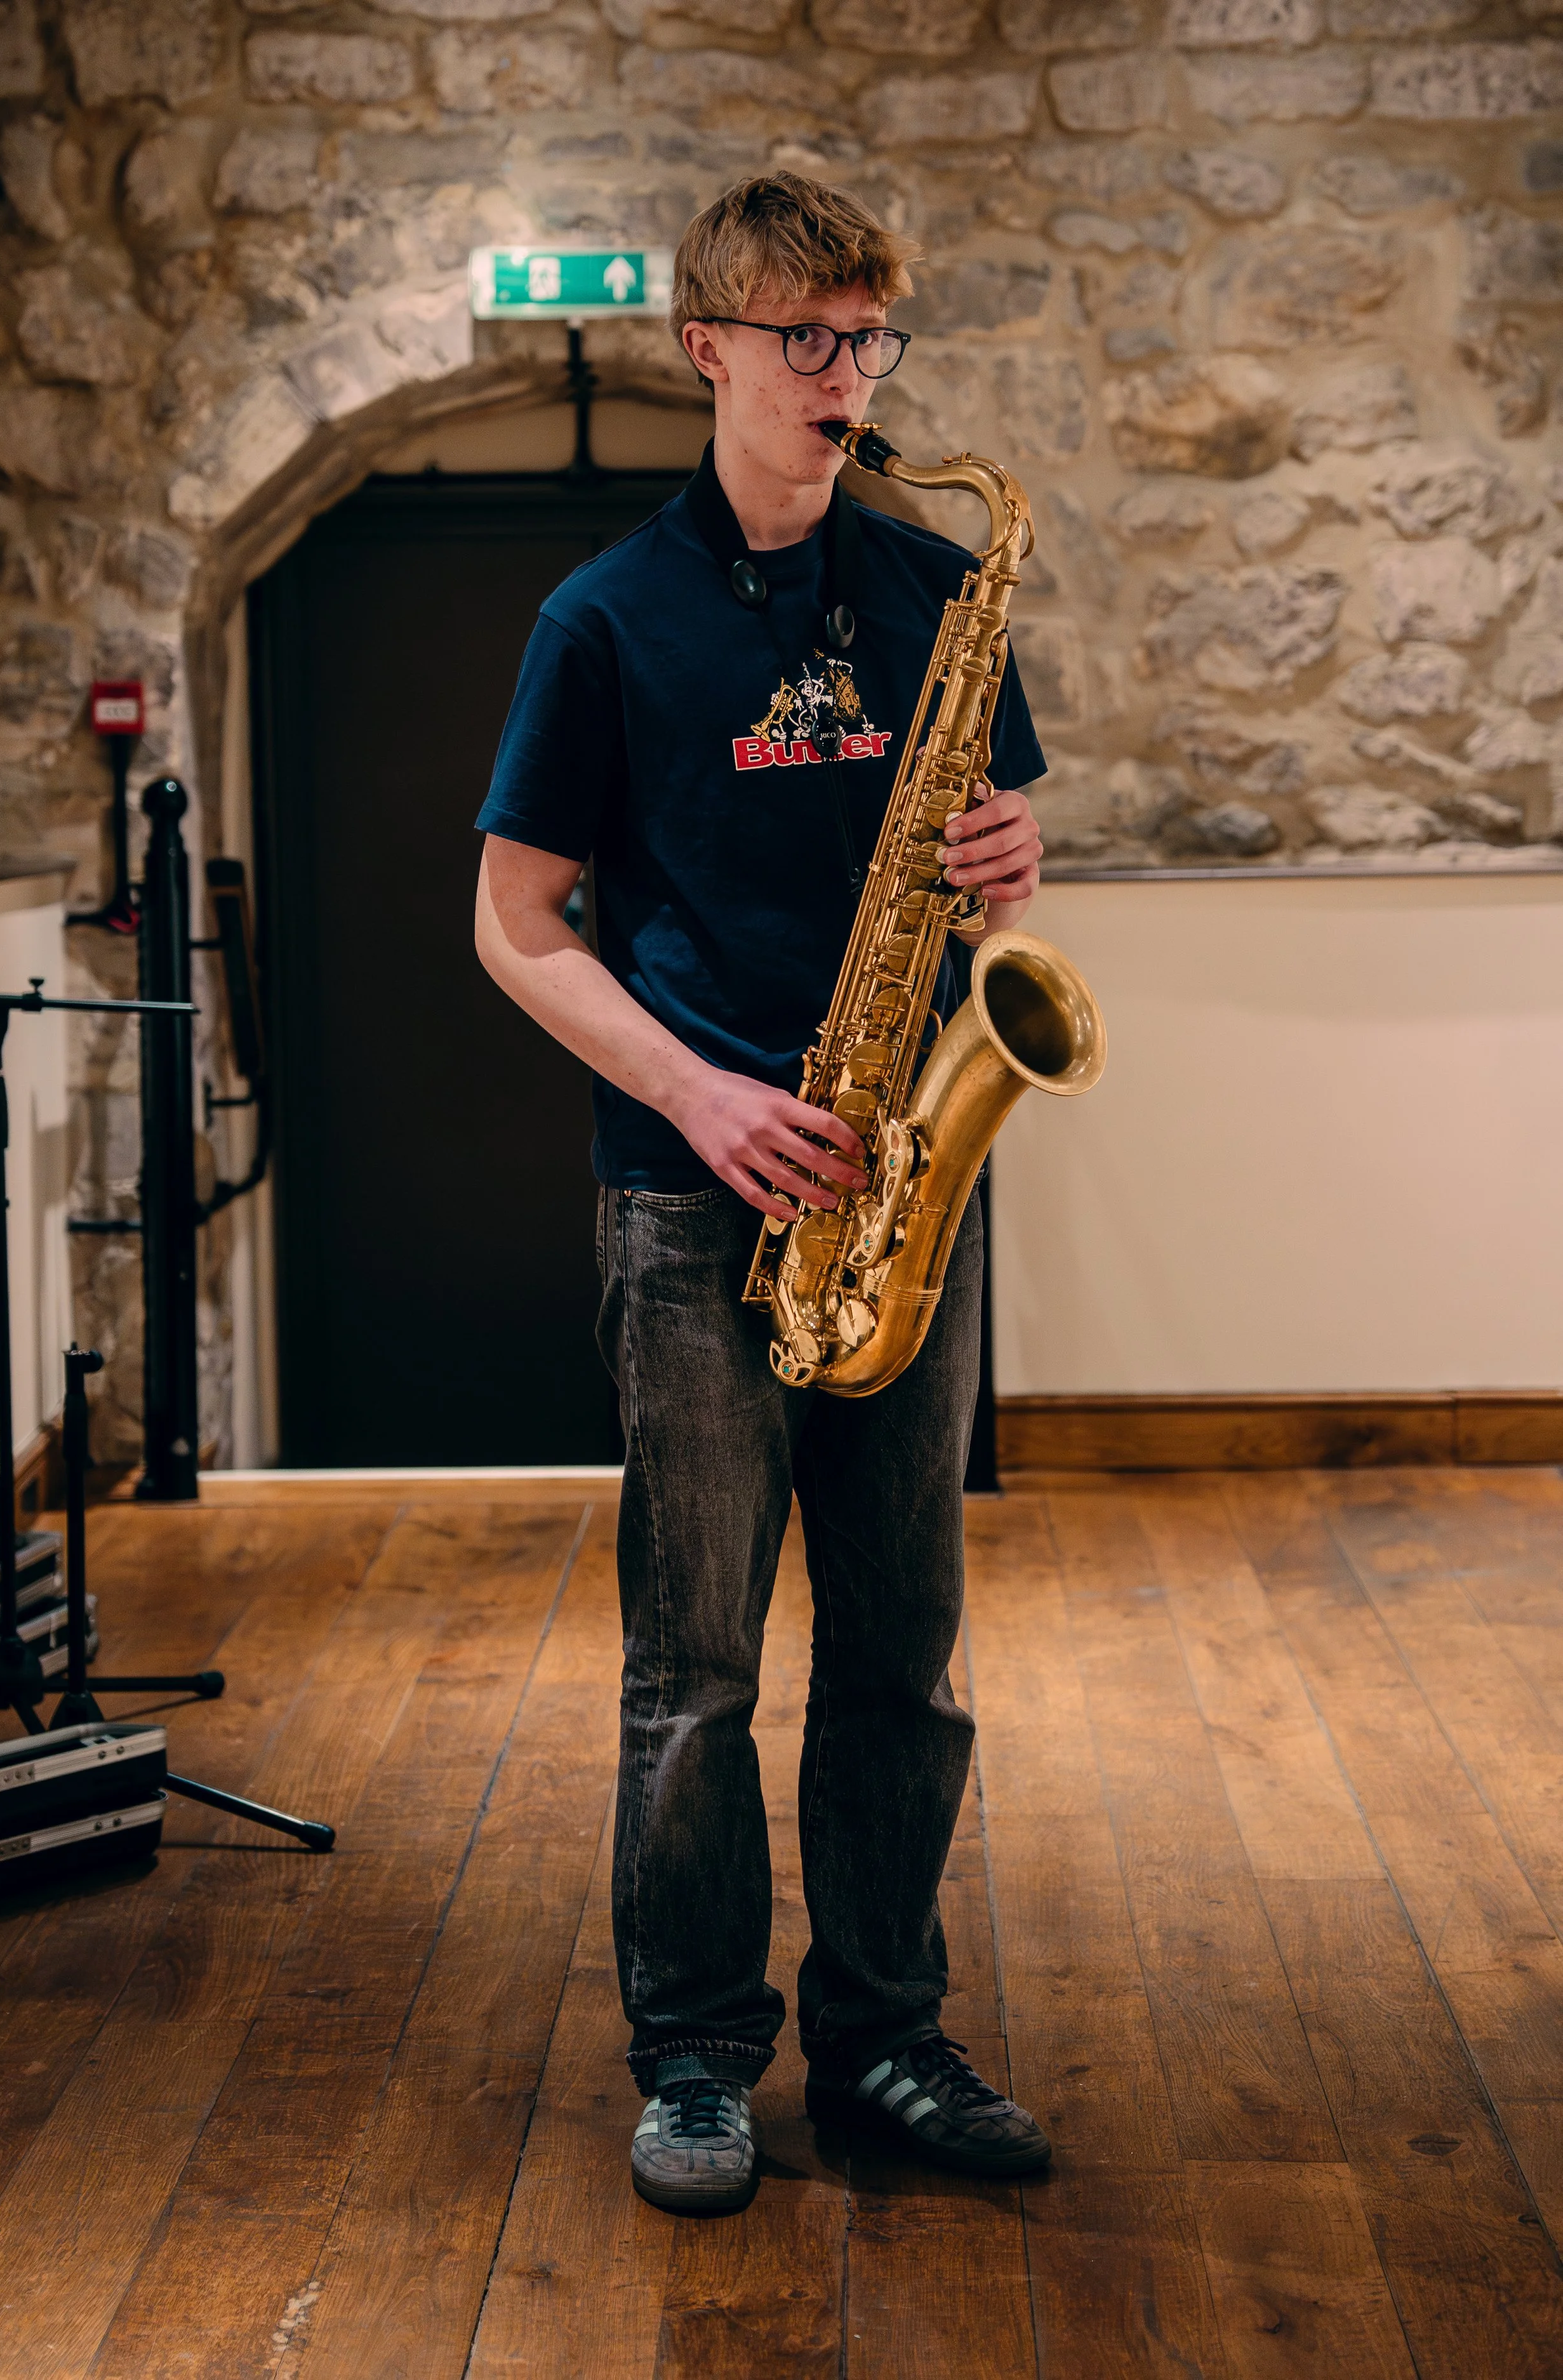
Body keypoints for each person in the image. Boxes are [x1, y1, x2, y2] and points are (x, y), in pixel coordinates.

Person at [475, 171, 1053, 2217]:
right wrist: (703, 1097)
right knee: (696, 1664)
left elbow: (992, 876)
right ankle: (699, 2057)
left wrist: (1010, 875)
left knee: (903, 1653)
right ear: (705, 346)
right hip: (693, 1187)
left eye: (870, 335)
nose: (846, 375)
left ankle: (886, 2031)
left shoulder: (934, 589)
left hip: (903, 1175)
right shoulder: (602, 617)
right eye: (806, 336)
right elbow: (515, 924)